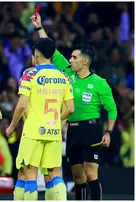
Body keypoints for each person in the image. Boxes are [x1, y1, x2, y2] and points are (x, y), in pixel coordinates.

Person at [32, 13, 117, 200]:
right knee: (78, 177)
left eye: (74, 57)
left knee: (91, 173)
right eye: (70, 57)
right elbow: (50, 49)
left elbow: (112, 109)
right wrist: (39, 27)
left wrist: (108, 132)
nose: (70, 60)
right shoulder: (67, 73)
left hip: (91, 129)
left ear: (84, 61)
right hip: (73, 130)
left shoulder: (99, 83)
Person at [11, 13, 73, 201]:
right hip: (53, 132)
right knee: (55, 175)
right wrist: (56, 122)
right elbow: (70, 108)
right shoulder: (64, 77)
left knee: (28, 175)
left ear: (36, 54)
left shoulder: (30, 74)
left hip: (32, 131)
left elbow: (22, 104)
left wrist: (12, 126)